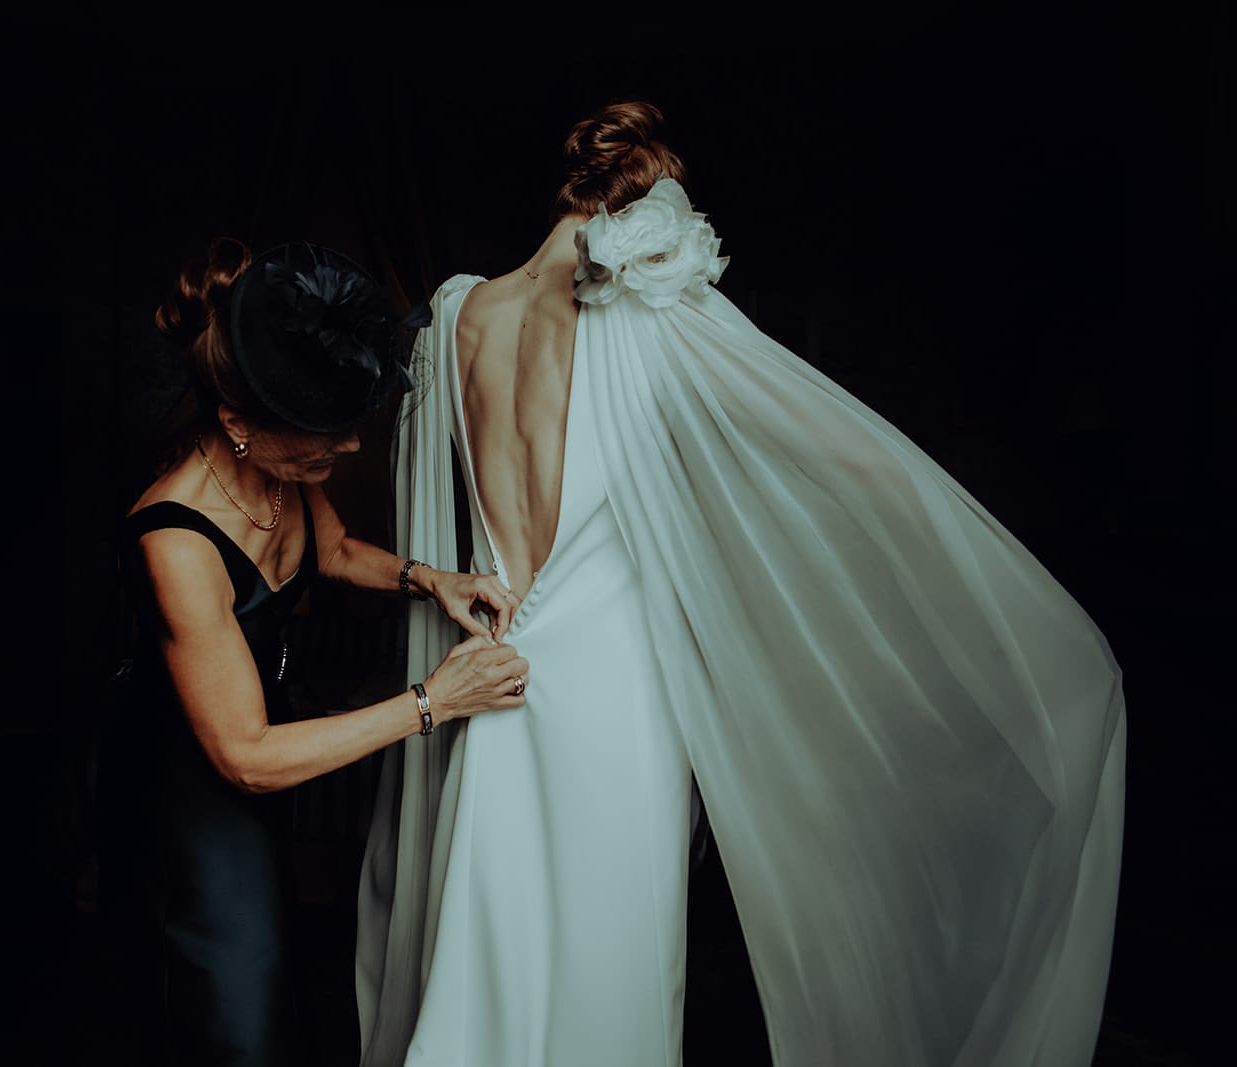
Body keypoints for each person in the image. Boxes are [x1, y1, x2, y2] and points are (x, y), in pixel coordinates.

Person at [355, 101, 1126, 1066]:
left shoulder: (456, 312)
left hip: (495, 668)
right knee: (612, 970)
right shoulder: (638, 306)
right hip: (618, 700)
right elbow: (850, 457)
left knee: (494, 953)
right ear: (647, 206)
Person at [96, 237, 530, 1066]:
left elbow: (328, 552)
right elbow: (247, 756)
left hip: (264, 762)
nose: (350, 451)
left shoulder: (285, 459)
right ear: (238, 424)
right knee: (231, 1002)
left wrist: (429, 577)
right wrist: (434, 700)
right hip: (189, 792)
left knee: (269, 974)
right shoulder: (174, 542)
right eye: (327, 439)